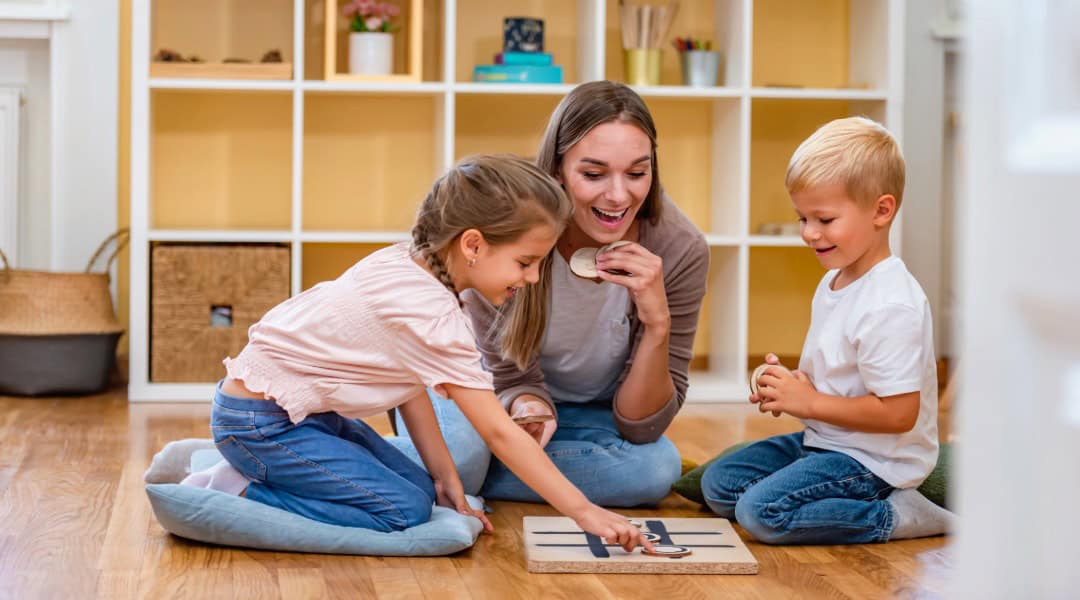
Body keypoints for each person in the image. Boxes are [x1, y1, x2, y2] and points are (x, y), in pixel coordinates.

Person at [180, 155, 651, 551]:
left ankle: (253, 467)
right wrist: (584, 512)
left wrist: (447, 480)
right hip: (259, 423)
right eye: (525, 262)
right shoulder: (433, 316)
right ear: (472, 244)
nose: (530, 278)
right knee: (399, 510)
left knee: (425, 491)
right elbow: (499, 433)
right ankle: (241, 487)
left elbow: (410, 386)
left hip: (294, 414)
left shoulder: (410, 260)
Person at [389, 81, 710, 507]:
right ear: (557, 170)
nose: (618, 195)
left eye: (637, 173)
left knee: (653, 471)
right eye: (593, 174)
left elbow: (641, 427)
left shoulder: (679, 247)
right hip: (471, 387)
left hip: (585, 418)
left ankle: (464, 469)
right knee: (464, 455)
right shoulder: (514, 227)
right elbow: (505, 372)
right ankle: (465, 464)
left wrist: (657, 323)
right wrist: (527, 405)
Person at [699, 117, 954, 544]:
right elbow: (840, 377)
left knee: (759, 513)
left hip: (874, 461)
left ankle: (898, 514)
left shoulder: (891, 304)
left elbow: (899, 414)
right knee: (719, 485)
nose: (809, 233)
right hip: (825, 441)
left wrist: (811, 402)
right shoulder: (835, 279)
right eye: (802, 218)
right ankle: (816, 505)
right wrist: (792, 386)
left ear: (882, 210)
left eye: (824, 219)